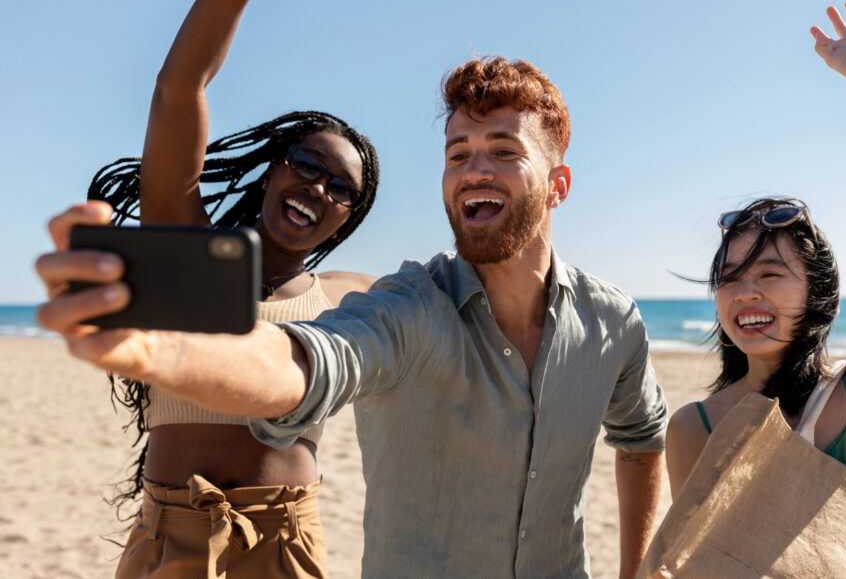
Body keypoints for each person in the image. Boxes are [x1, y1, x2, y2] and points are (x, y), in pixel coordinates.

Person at [37, 56, 669, 578]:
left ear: (558, 185)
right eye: (457, 153)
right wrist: (161, 349)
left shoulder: (613, 322)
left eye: (503, 150)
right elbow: (304, 360)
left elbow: (642, 441)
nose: (474, 168)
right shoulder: (412, 307)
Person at [84, 0, 382, 576]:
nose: (319, 190)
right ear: (276, 167)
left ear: (350, 217)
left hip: (283, 542)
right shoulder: (189, 251)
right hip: (168, 534)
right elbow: (178, 86)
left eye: (343, 190)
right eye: (309, 166)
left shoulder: (350, 294)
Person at [665, 2, 846, 504]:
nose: (745, 293)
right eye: (730, 278)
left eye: (769, 274)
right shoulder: (693, 430)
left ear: (817, 293)